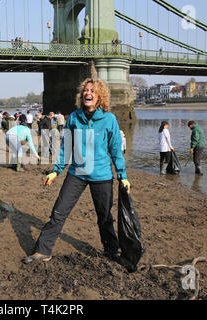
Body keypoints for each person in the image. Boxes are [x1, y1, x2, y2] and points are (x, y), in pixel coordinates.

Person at [24, 78, 130, 264]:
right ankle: (43, 251)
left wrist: (122, 176)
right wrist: (56, 171)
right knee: (58, 212)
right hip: (77, 173)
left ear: (100, 96)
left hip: (102, 175)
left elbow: (116, 150)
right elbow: (66, 148)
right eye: (85, 91)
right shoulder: (74, 117)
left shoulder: (109, 119)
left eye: (93, 91)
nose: (88, 93)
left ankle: (112, 251)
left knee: (104, 216)